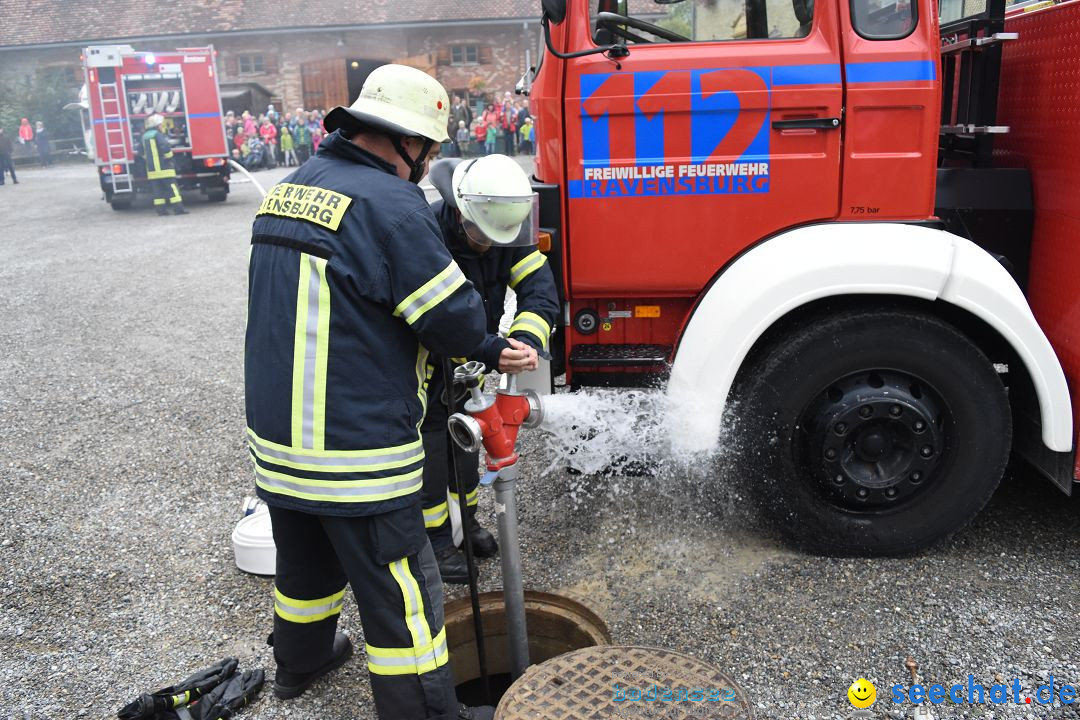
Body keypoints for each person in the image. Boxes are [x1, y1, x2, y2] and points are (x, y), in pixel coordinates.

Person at [245, 63, 496, 720]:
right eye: (432, 147)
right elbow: (456, 323)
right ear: (407, 141)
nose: (433, 159)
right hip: (357, 455)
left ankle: (298, 667)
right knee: (405, 598)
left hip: (278, 444)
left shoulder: (287, 189)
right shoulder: (391, 205)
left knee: (305, 568)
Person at [421, 154, 558, 584]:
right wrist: (492, 348)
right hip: (427, 369)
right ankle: (437, 543)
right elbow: (436, 318)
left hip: (473, 363)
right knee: (430, 459)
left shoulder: (508, 230)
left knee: (464, 454)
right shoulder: (425, 234)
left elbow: (540, 292)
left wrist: (525, 341)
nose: (490, 245)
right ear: (462, 213)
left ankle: (467, 522)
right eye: (482, 235)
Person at [141, 114, 187, 215]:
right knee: (173, 189)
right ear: (157, 125)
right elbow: (165, 146)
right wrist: (170, 157)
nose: (162, 126)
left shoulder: (144, 136)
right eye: (160, 124)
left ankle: (161, 211)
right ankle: (178, 209)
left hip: (152, 170)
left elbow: (140, 151)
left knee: (158, 191)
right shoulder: (157, 135)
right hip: (164, 168)